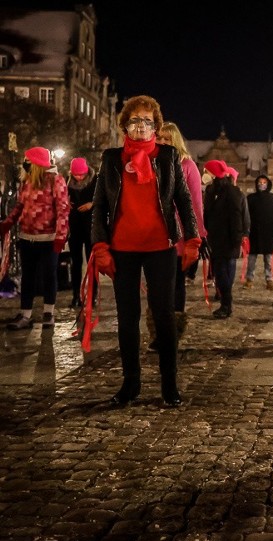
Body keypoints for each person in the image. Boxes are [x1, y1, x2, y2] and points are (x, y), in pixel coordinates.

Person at [90, 95, 200, 407]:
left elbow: (183, 201)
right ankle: (131, 384)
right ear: (124, 125)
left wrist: (191, 240)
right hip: (122, 248)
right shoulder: (111, 159)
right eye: (135, 121)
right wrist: (100, 246)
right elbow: (99, 208)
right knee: (127, 318)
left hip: (160, 246)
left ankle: (169, 384)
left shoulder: (167, 157)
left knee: (164, 316)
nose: (141, 127)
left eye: (147, 121)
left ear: (156, 126)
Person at [151, 121, 208, 349]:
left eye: (167, 139)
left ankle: (172, 332)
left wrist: (197, 236)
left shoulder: (187, 166)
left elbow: (195, 202)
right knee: (156, 286)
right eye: (160, 138)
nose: (163, 142)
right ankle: (157, 330)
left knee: (174, 285)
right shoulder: (148, 163)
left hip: (177, 236)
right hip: (152, 235)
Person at [1, 147, 70, 330]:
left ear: (37, 163)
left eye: (27, 160)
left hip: (48, 238)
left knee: (49, 275)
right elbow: (20, 206)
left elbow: (63, 210)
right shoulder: (27, 182)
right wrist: (8, 223)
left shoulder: (56, 181)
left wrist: (61, 236)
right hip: (27, 237)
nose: (24, 164)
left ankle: (48, 313)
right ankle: (26, 314)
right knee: (28, 277)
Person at [203, 160, 247, 319]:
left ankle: (226, 304)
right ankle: (226, 303)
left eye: (206, 171)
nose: (204, 174)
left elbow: (236, 217)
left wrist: (237, 239)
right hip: (215, 239)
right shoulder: (211, 190)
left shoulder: (232, 192)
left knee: (223, 273)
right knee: (220, 273)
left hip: (228, 240)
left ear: (214, 174)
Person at [66, 157, 95, 309]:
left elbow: (103, 199)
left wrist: (92, 204)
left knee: (92, 263)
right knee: (75, 263)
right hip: (75, 227)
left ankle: (92, 295)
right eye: (76, 175)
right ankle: (76, 295)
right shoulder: (66, 182)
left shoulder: (95, 181)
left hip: (90, 227)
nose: (79, 178)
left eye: (81, 175)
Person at [245, 174, 273, 291]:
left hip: (269, 233)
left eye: (264, 183)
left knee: (268, 259)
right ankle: (249, 279)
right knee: (252, 258)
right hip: (254, 232)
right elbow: (246, 215)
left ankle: (269, 280)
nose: (262, 185)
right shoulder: (250, 198)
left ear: (268, 184)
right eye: (260, 182)